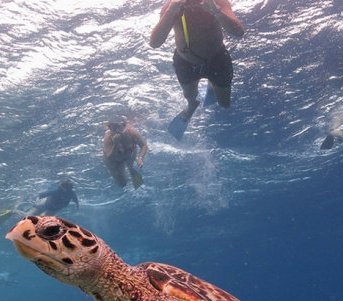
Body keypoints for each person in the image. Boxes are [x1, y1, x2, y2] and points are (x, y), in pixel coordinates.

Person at [150, 0, 244, 139]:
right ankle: (192, 106)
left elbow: (238, 33)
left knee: (224, 103)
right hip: (186, 63)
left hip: (217, 60)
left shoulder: (218, 2)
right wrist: (171, 12)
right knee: (190, 96)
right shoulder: (172, 6)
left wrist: (216, 11)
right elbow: (155, 43)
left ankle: (212, 85)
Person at [0, 180, 79, 223]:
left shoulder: (71, 193)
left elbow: (76, 201)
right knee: (30, 217)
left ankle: (15, 213)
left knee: (38, 220)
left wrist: (77, 207)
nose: (62, 188)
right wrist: (37, 201)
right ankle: (13, 211)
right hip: (44, 204)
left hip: (52, 209)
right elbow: (41, 195)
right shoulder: (57, 191)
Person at [102, 116, 148, 189]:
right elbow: (110, 157)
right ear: (109, 128)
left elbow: (144, 145)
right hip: (114, 159)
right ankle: (125, 186)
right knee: (122, 183)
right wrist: (115, 144)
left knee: (132, 168)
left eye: (119, 128)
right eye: (113, 129)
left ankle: (139, 188)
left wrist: (140, 158)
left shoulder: (132, 133)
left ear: (124, 126)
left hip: (129, 152)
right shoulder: (108, 138)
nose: (117, 131)